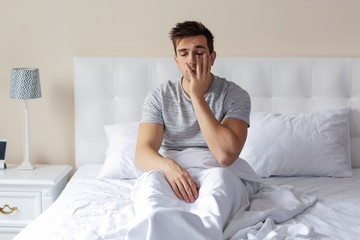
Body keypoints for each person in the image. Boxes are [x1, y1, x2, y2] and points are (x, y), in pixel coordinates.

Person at [127, 21, 260, 240]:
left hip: (217, 169)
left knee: (220, 181)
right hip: (172, 168)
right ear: (176, 60)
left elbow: (225, 156)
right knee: (152, 188)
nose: (191, 60)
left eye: (199, 52)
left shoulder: (235, 95)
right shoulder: (159, 97)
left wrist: (197, 97)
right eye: (184, 53)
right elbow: (142, 152)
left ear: (212, 57)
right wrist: (169, 167)